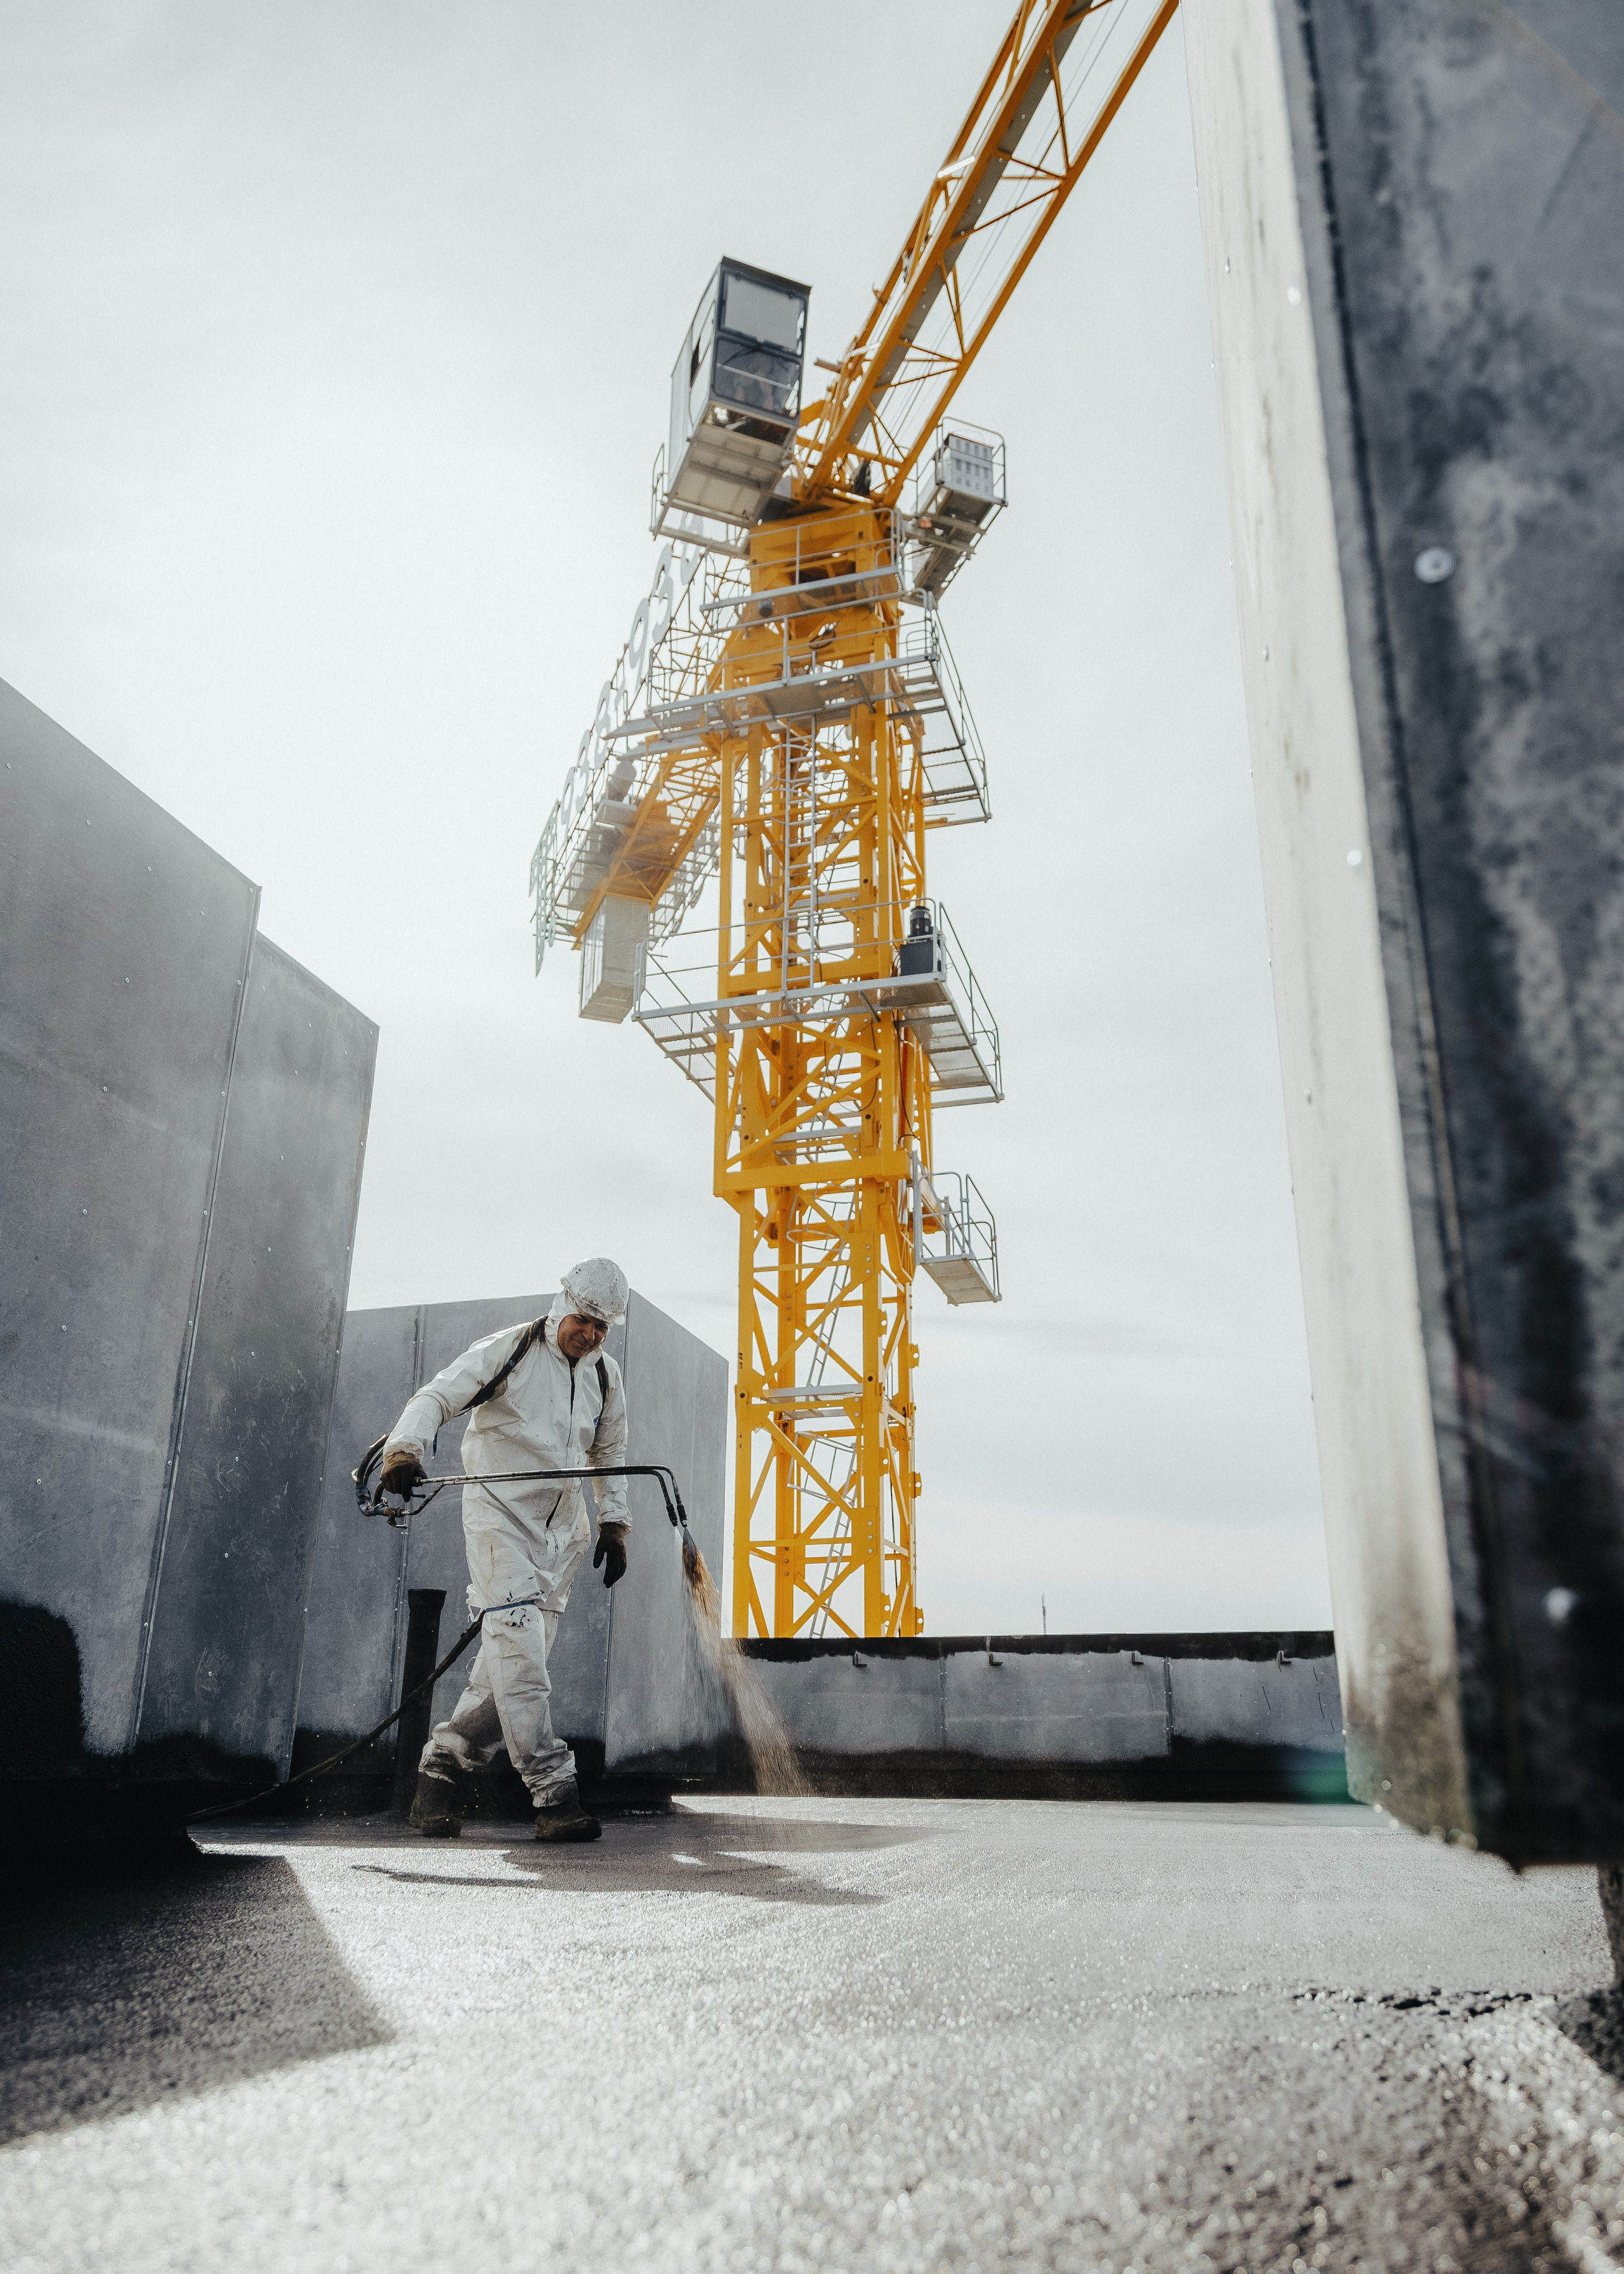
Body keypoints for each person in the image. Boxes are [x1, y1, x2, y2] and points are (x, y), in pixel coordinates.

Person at [378, 1258, 632, 1844]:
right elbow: (436, 1396)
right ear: (561, 1302)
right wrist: (404, 1452)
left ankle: (439, 1776)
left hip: (563, 1534)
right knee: (521, 1661)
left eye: (603, 1327)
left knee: (513, 1669)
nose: (591, 1334)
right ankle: (554, 1794)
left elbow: (611, 1452)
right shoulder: (510, 1350)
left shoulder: (605, 1376)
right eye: (584, 1320)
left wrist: (615, 1524)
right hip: (499, 1521)